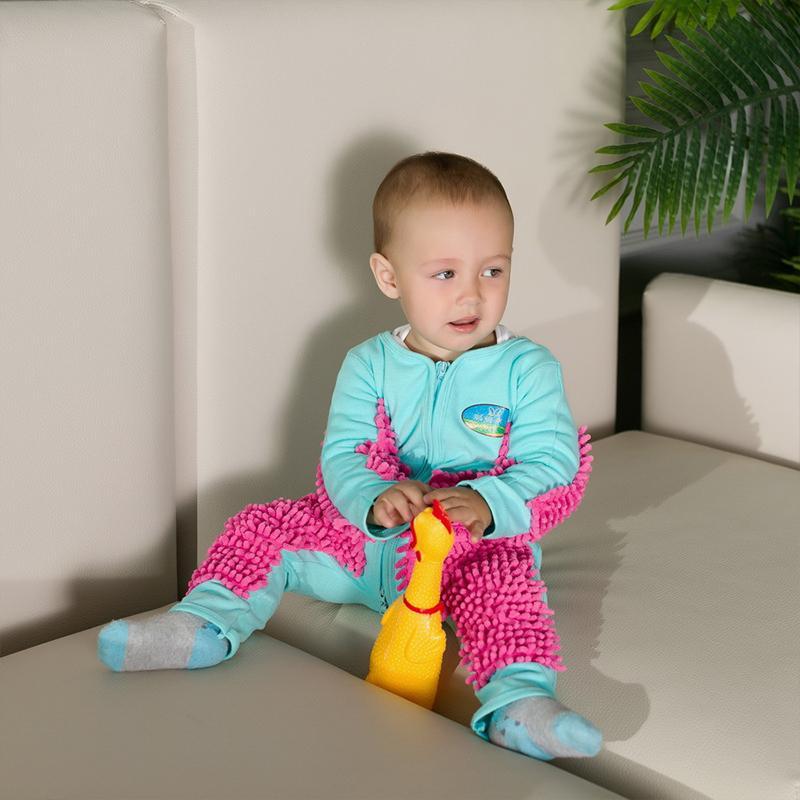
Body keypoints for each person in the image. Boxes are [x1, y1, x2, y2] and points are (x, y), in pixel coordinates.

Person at [97, 151, 603, 761]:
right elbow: (344, 454)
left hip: (469, 554)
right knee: (263, 527)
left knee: (509, 593)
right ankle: (202, 622)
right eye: (445, 273)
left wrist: (487, 503)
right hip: (366, 553)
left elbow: (553, 464)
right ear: (389, 277)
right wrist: (373, 499)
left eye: (493, 270)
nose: (472, 294)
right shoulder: (369, 364)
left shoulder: (528, 369)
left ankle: (521, 703)